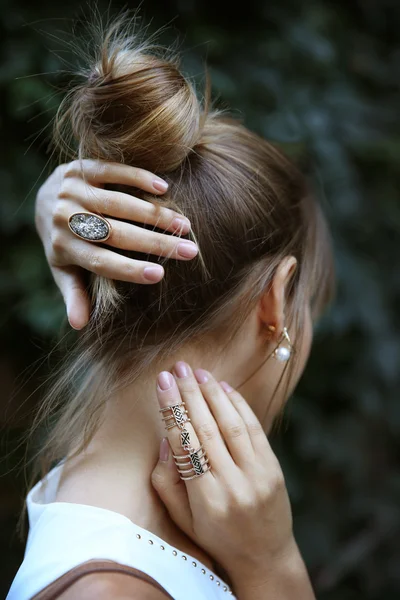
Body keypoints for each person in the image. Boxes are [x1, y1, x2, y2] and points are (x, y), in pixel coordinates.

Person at [7, 18, 335, 600]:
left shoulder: (96, 505)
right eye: (311, 304)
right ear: (276, 302)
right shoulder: (110, 593)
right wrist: (274, 568)